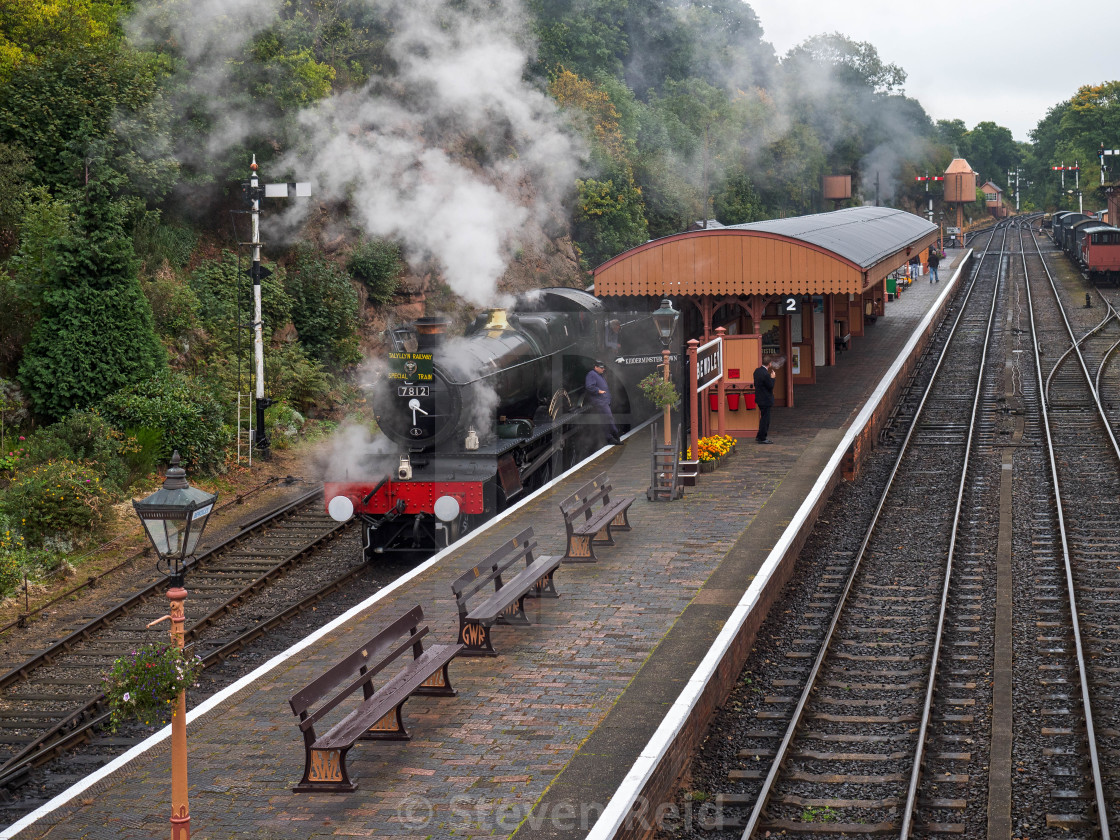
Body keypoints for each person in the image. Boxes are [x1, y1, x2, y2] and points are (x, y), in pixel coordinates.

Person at [585, 360, 621, 445]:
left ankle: (609, 438)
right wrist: (599, 391)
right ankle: (615, 434)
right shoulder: (591, 374)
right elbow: (589, 386)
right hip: (600, 402)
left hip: (604, 401)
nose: (603, 369)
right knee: (609, 418)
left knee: (605, 420)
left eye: (603, 368)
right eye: (601, 368)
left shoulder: (599, 375)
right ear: (596, 367)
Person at [753, 357, 776, 444]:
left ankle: (759, 436)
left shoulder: (757, 371)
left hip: (759, 398)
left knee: (763, 418)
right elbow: (770, 386)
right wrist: (773, 378)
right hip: (765, 399)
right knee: (765, 419)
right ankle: (762, 437)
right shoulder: (766, 374)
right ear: (769, 363)